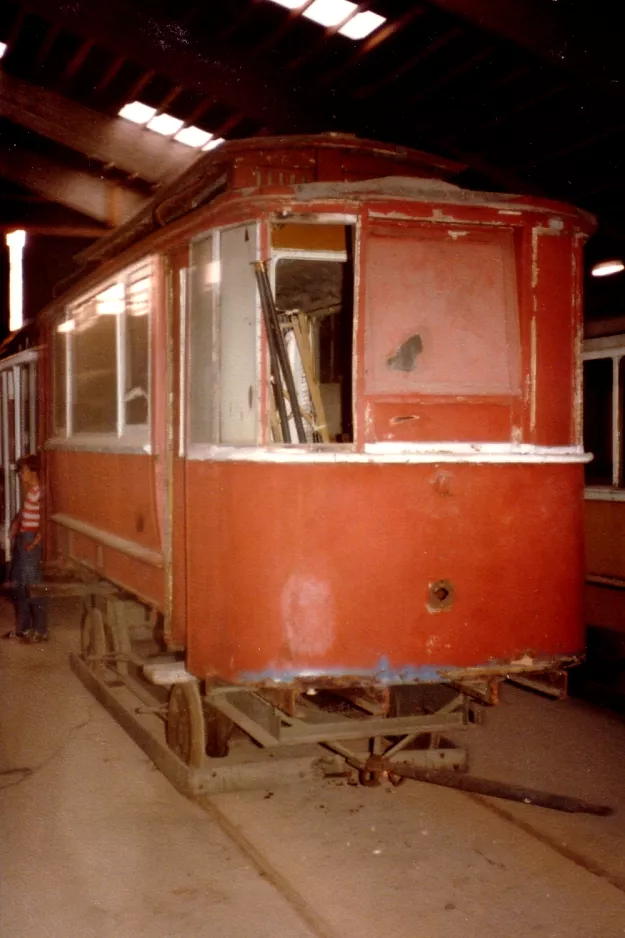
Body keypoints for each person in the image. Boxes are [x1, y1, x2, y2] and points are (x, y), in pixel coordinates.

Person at [3, 454, 48, 642]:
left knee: (33, 585)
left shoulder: (40, 493)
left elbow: (45, 523)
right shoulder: (29, 491)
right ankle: (22, 628)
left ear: (32, 471)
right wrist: (15, 525)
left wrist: (34, 543)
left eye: (23, 471)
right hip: (23, 538)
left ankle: (40, 630)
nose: (21, 475)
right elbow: (24, 513)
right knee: (18, 585)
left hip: (30, 541)